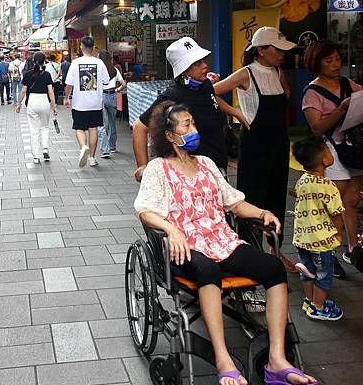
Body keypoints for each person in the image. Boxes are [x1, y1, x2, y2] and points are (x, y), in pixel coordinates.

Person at [135, 101, 319, 385]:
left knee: (272, 268)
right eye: (187, 125)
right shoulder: (158, 168)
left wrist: (262, 212)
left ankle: (277, 360)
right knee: (207, 269)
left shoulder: (206, 164)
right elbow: (146, 210)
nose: (194, 129)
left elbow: (233, 202)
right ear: (170, 136)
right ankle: (223, 359)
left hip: (222, 240)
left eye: (193, 123)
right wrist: (171, 229)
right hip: (186, 247)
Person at [214, 26, 297, 273]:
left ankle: (276, 252)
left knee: (276, 195)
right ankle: (251, 253)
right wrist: (237, 112)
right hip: (254, 143)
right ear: (261, 51)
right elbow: (212, 93)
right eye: (277, 49)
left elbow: (287, 98)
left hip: (279, 141)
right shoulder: (245, 73)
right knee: (252, 197)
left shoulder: (279, 71)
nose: (282, 54)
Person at [133, 37, 245, 183]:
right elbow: (139, 127)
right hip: (191, 177)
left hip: (217, 167)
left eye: (204, 61)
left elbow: (212, 99)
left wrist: (235, 112)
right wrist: (143, 167)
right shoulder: (172, 96)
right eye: (197, 63)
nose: (205, 66)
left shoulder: (205, 85)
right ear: (183, 70)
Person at [301, 39, 362, 277]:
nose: (335, 64)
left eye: (337, 59)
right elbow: (316, 127)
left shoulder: (350, 84)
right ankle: (329, 253)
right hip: (331, 151)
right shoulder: (312, 92)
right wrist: (341, 110)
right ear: (317, 63)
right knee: (332, 204)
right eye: (328, 60)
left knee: (352, 200)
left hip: (354, 149)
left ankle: (353, 248)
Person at [291, 136, 344, 321]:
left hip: (301, 238)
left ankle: (310, 300)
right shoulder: (329, 186)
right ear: (324, 160)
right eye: (328, 151)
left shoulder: (303, 180)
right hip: (321, 240)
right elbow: (337, 213)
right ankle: (319, 307)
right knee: (323, 274)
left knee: (308, 271)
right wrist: (338, 235)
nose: (331, 153)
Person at [64, 36, 110, 168]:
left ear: (82, 47)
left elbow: (69, 84)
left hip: (80, 103)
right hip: (95, 103)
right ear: (93, 47)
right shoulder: (99, 63)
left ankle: (84, 147)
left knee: (79, 128)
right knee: (93, 129)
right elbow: (106, 81)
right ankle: (92, 158)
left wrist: (67, 98)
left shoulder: (76, 63)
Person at [16, 52, 58, 164]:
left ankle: (36, 156)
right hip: (44, 101)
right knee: (45, 127)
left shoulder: (27, 74)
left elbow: (24, 90)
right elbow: (50, 91)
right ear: (44, 61)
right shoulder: (47, 74)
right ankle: (45, 148)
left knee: (34, 130)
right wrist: (54, 106)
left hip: (32, 101)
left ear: (33, 61)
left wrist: (19, 103)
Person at [98, 50, 125, 159]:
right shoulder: (114, 70)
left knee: (103, 123)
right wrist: (117, 89)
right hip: (112, 95)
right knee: (112, 122)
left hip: (102, 96)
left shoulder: (99, 70)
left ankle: (105, 149)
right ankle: (113, 146)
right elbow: (123, 84)